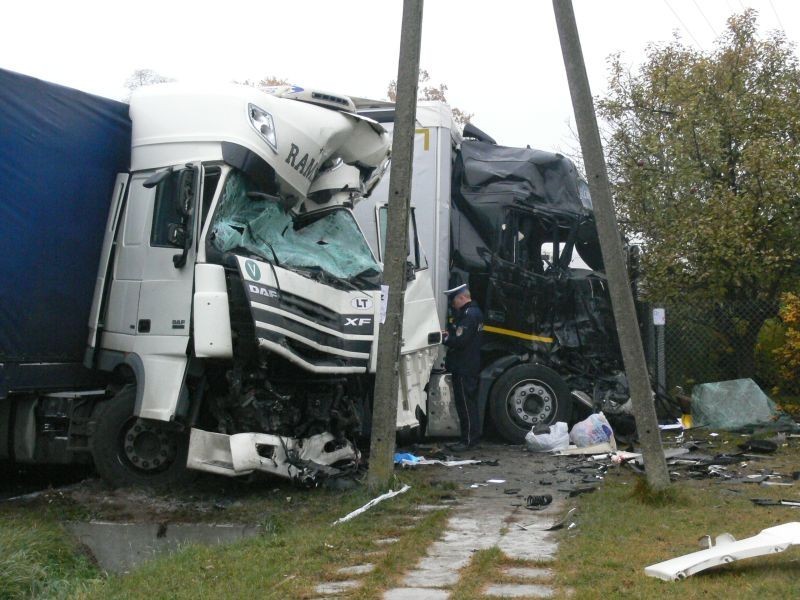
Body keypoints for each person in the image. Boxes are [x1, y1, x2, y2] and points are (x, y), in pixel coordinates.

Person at [442, 284, 483, 452]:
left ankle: (467, 440)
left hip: (464, 365)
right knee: (469, 404)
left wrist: (445, 339)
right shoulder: (476, 312)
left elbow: (460, 341)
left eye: (454, 301)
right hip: (470, 364)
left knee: (465, 404)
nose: (453, 305)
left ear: (461, 298)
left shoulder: (468, 314)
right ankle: (470, 438)